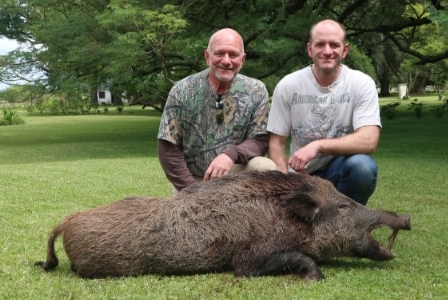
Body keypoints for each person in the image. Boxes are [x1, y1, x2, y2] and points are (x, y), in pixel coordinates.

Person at [267, 19, 381, 205]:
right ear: (310, 49)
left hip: (338, 172)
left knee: (362, 167)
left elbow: (369, 139)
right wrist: (284, 183)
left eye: (334, 45)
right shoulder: (288, 85)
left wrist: (318, 145)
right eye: (320, 44)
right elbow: (276, 143)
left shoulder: (361, 83)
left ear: (344, 50)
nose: (327, 51)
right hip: (300, 176)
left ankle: (346, 225)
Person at [157, 28, 276, 192]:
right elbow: (167, 146)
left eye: (233, 55)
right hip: (192, 180)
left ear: (242, 60)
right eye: (219, 53)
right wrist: (191, 190)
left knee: (265, 167)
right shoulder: (182, 90)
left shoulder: (256, 90)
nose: (226, 61)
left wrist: (230, 155)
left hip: (236, 178)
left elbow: (260, 139)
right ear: (207, 57)